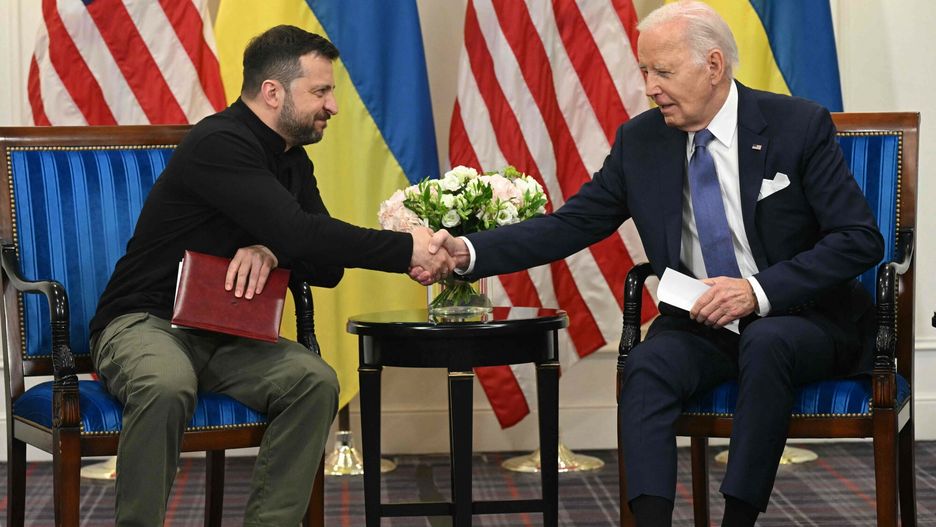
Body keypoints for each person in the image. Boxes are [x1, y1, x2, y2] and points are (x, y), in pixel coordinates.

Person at [419, 2, 883, 526]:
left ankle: (738, 521)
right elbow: (569, 225)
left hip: (803, 321)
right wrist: (469, 252)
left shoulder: (796, 125)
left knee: (766, 340)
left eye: (662, 71)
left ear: (713, 66)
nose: (648, 87)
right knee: (647, 366)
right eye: (644, 70)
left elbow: (859, 240)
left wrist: (757, 291)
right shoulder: (641, 141)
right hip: (704, 326)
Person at [89, 25, 452, 526]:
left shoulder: (292, 161)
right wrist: (403, 248)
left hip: (225, 337)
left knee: (314, 381)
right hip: (143, 323)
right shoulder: (219, 142)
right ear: (273, 91)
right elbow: (303, 235)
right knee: (167, 382)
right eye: (321, 91)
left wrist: (268, 247)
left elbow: (324, 266)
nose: (334, 105)